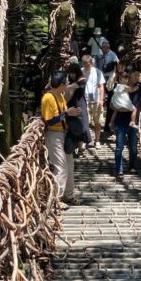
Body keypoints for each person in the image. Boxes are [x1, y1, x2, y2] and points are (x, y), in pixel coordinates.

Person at [41, 71, 82, 208]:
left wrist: (72, 113)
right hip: (54, 134)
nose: (68, 85)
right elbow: (49, 121)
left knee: (69, 165)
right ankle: (56, 199)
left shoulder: (60, 96)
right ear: (62, 84)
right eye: (66, 82)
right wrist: (66, 114)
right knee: (61, 167)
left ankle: (68, 195)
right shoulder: (48, 98)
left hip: (64, 134)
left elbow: (63, 113)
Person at [110, 66, 141, 180]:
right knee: (119, 147)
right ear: (128, 76)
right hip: (120, 121)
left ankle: (132, 166)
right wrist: (115, 115)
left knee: (133, 147)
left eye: (138, 75)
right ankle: (119, 170)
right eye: (134, 75)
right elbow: (112, 104)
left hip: (134, 122)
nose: (137, 77)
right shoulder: (121, 87)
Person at [66, 63, 91, 157]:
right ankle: (73, 147)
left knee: (82, 125)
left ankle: (81, 147)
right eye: (70, 73)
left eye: (73, 73)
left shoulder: (82, 79)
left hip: (80, 104)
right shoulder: (68, 79)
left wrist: (63, 87)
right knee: (72, 126)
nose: (72, 75)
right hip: (70, 105)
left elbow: (75, 86)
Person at [81, 55, 105, 149]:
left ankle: (97, 140)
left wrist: (101, 100)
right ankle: (84, 140)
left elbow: (101, 86)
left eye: (88, 64)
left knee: (97, 122)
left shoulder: (98, 72)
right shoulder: (81, 71)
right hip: (84, 100)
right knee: (84, 122)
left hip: (96, 100)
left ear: (91, 63)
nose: (86, 66)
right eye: (85, 64)